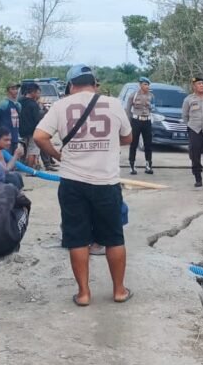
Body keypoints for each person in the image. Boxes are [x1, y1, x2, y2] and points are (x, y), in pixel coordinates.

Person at [33, 64, 132, 307]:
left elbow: (39, 136)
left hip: (73, 182)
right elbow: (128, 137)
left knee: (77, 238)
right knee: (114, 238)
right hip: (106, 182)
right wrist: (106, 142)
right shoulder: (113, 104)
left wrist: (57, 156)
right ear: (95, 84)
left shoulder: (61, 105)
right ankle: (119, 290)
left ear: (70, 85)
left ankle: (84, 294)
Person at [126, 76, 154, 175]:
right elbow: (128, 110)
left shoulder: (151, 96)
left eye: (148, 85)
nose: (147, 86)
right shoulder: (133, 95)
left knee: (148, 144)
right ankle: (132, 165)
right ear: (140, 85)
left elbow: (154, 108)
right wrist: (129, 123)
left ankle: (148, 165)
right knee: (134, 144)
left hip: (147, 121)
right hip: (136, 121)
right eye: (145, 84)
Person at [19, 83, 44, 169]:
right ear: (32, 92)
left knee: (23, 149)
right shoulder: (34, 104)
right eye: (37, 92)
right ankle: (30, 170)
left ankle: (21, 167)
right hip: (33, 131)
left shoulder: (19, 102)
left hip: (21, 131)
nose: (37, 94)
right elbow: (37, 119)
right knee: (32, 150)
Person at [0, 82, 23, 154]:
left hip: (15, 136)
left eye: (16, 89)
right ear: (7, 91)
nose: (15, 91)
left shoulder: (18, 105)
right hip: (5, 137)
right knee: (6, 157)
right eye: (13, 89)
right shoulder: (3, 104)